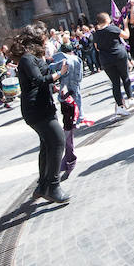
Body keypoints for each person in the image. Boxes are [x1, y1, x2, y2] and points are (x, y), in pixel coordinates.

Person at [9, 23, 70, 203]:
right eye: (44, 36)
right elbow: (37, 80)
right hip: (36, 109)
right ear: (37, 39)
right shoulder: (28, 58)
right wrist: (59, 74)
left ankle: (43, 186)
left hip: (42, 106)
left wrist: (54, 84)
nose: (46, 39)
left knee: (47, 145)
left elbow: (40, 79)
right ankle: (53, 186)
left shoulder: (34, 57)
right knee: (58, 142)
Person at [92, 12, 134, 116]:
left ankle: (120, 106)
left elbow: (96, 47)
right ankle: (130, 98)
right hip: (118, 56)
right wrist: (126, 25)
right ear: (107, 19)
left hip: (105, 60)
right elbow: (126, 35)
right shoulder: (112, 28)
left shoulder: (96, 34)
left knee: (115, 83)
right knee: (125, 77)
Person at [57, 42, 83, 180]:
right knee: (70, 124)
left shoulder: (64, 61)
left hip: (66, 94)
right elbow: (80, 77)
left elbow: (57, 74)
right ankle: (68, 159)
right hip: (74, 90)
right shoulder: (77, 59)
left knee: (67, 127)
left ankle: (69, 160)